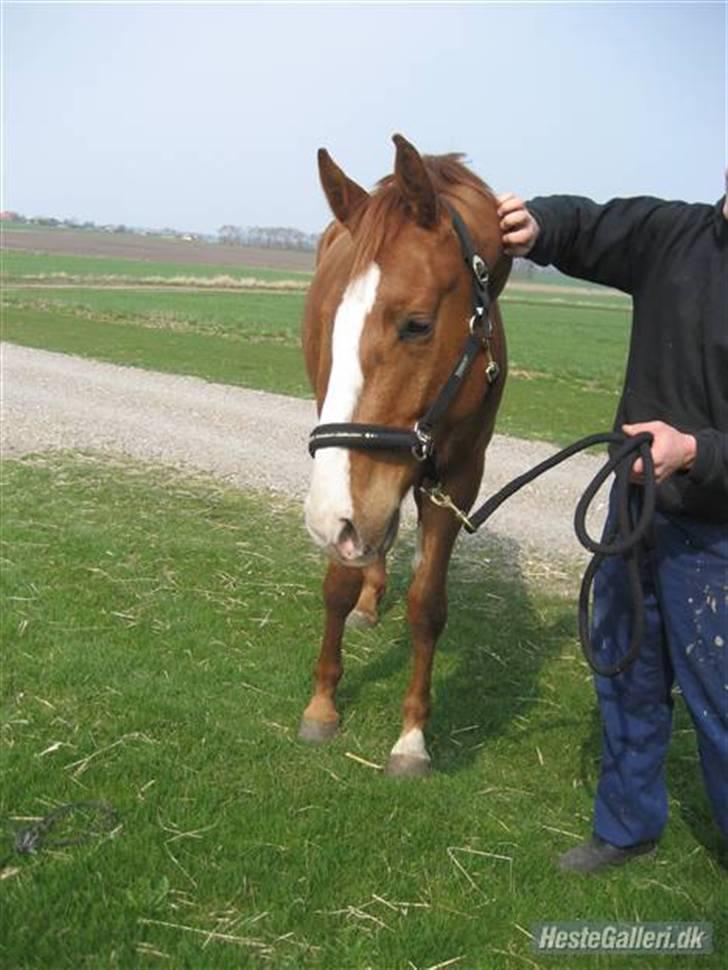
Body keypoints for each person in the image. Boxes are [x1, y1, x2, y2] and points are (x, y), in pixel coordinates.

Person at [496, 181, 728, 873]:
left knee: (721, 702)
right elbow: (587, 225)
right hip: (635, 519)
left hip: (718, 537)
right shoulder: (669, 233)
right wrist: (535, 223)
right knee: (625, 672)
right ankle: (627, 827)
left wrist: (696, 451)